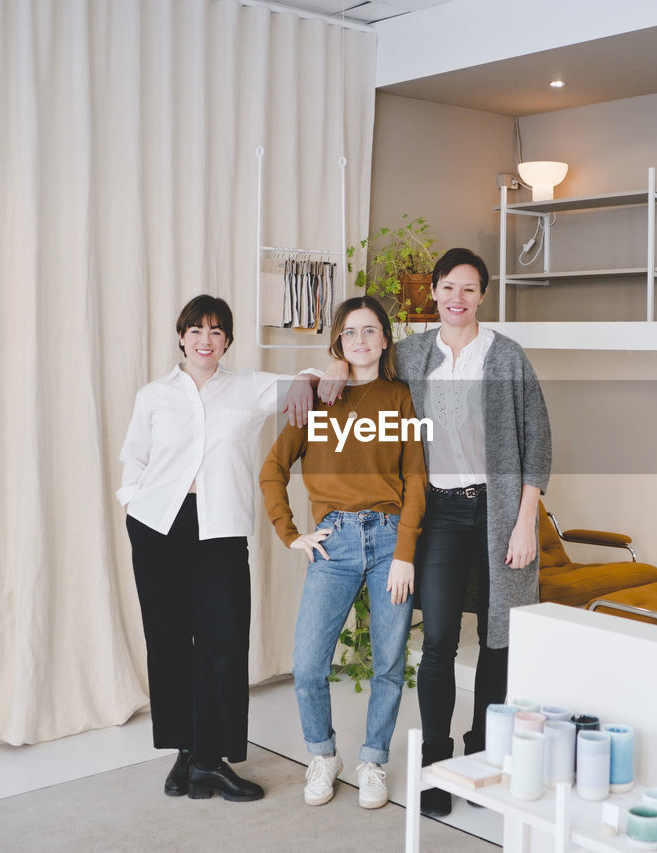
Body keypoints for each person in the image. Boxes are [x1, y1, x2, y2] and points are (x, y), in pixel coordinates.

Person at [320, 247, 552, 817]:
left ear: (482, 296)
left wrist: (527, 521)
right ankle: (439, 768)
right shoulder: (413, 353)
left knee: (500, 640)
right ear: (435, 292)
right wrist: (330, 368)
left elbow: (538, 444)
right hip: (441, 514)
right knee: (442, 638)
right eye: (448, 288)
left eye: (469, 290)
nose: (457, 299)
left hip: (499, 512)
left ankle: (486, 759)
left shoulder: (508, 358)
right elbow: (360, 360)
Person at [117, 294, 319, 802]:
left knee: (223, 641)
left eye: (216, 332)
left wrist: (325, 370)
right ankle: (185, 753)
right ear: (181, 336)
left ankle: (210, 758)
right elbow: (133, 461)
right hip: (158, 525)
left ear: (228, 340)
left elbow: (309, 381)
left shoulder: (248, 388)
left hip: (220, 528)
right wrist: (133, 507)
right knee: (167, 641)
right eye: (196, 331)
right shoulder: (154, 396)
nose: (205, 341)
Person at [259, 295, 427, 810]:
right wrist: (292, 534)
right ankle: (323, 755)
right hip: (334, 544)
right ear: (338, 340)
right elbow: (272, 471)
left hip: (389, 538)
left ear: (384, 339)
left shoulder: (400, 397)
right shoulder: (314, 397)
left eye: (370, 330)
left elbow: (416, 479)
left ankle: (373, 759)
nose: (360, 340)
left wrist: (405, 553)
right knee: (308, 664)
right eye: (350, 332)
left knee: (389, 661)